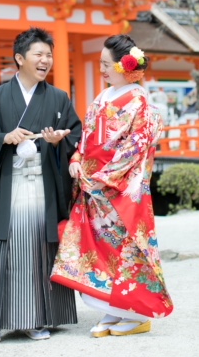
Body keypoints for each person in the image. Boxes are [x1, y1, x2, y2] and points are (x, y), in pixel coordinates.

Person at [0, 27, 82, 353]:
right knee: (4, 254)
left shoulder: (58, 98)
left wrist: (60, 141)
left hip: (43, 185)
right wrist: (4, 137)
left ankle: (37, 320)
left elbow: (75, 135)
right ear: (19, 58)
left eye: (49, 55)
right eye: (38, 54)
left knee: (40, 251)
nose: (45, 61)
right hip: (9, 187)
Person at [51, 34, 173, 338]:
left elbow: (136, 147)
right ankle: (112, 309)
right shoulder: (102, 97)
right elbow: (86, 136)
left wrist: (105, 179)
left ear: (124, 66)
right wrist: (77, 158)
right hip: (91, 187)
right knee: (97, 248)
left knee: (124, 249)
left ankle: (135, 315)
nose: (102, 69)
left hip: (118, 190)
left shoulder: (139, 101)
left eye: (106, 64)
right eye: (101, 64)